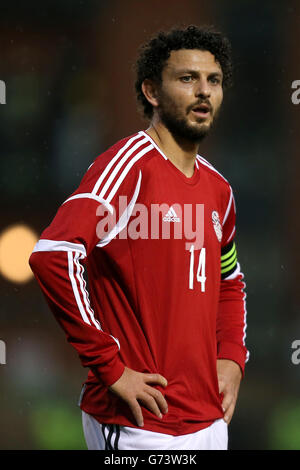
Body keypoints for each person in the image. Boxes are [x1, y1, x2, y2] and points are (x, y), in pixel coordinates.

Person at [29, 25, 249, 451]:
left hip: (209, 421)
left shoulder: (220, 191)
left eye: (214, 80)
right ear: (151, 91)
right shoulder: (127, 167)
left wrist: (232, 356)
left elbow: (229, 279)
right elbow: (54, 255)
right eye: (187, 78)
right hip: (138, 423)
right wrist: (109, 367)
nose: (203, 91)